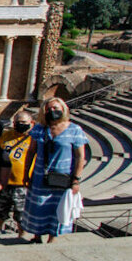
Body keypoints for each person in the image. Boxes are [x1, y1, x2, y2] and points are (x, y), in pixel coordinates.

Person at [21, 97, 88, 244]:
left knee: (57, 208)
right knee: (38, 205)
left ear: (63, 110)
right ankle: (37, 237)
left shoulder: (74, 130)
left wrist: (76, 180)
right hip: (40, 176)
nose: (53, 111)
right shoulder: (39, 129)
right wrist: (26, 174)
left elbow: (80, 157)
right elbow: (31, 152)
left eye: (56, 108)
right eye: (49, 109)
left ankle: (52, 238)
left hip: (62, 177)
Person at [0, 111, 35, 239]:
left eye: (23, 122)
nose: (20, 125)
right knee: (0, 210)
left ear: (31, 123)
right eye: (17, 122)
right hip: (4, 181)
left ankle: (22, 235)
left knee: (20, 212)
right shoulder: (6, 135)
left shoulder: (34, 139)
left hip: (22, 183)